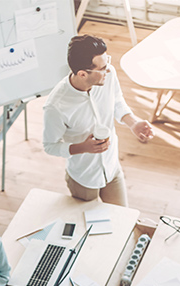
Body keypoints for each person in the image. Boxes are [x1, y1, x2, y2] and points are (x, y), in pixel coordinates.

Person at [43, 34, 154, 207]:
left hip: (112, 168)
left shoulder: (108, 74)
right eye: (101, 68)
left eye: (107, 62)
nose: (108, 70)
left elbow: (117, 101)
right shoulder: (56, 106)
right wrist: (82, 148)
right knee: (90, 226)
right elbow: (50, 146)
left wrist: (133, 123)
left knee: (122, 218)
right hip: (83, 177)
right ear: (82, 74)